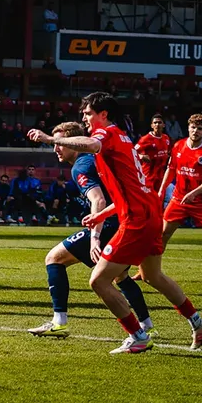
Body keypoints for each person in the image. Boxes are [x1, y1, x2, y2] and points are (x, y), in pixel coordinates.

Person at [27, 92, 202, 354]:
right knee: (152, 275)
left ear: (104, 115)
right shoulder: (123, 139)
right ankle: (198, 321)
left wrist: (49, 138)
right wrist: (100, 216)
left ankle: (138, 334)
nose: (84, 117)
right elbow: (126, 190)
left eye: (89, 113)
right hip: (148, 210)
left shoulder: (108, 135)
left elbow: (91, 144)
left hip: (137, 218)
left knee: (99, 281)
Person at [28, 122, 155, 339]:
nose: (56, 148)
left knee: (54, 258)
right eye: (55, 143)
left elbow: (98, 200)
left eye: (60, 143)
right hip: (128, 220)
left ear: (75, 143)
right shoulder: (94, 158)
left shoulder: (81, 166)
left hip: (109, 224)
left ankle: (59, 322)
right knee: (121, 276)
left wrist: (95, 237)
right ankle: (146, 323)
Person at [154, 113, 202, 283]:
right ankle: (149, 270)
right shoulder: (178, 146)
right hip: (178, 200)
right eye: (193, 127)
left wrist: (193, 194)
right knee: (162, 235)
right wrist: (161, 190)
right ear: (188, 127)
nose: (195, 131)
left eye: (200, 128)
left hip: (201, 202)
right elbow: (171, 169)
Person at [134, 114, 172, 195]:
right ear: (151, 125)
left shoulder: (166, 138)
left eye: (159, 122)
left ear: (164, 125)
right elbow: (132, 152)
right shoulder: (145, 139)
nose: (157, 125)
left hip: (161, 175)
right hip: (148, 176)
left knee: (159, 199)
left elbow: (168, 152)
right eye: (155, 123)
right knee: (148, 199)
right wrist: (141, 156)